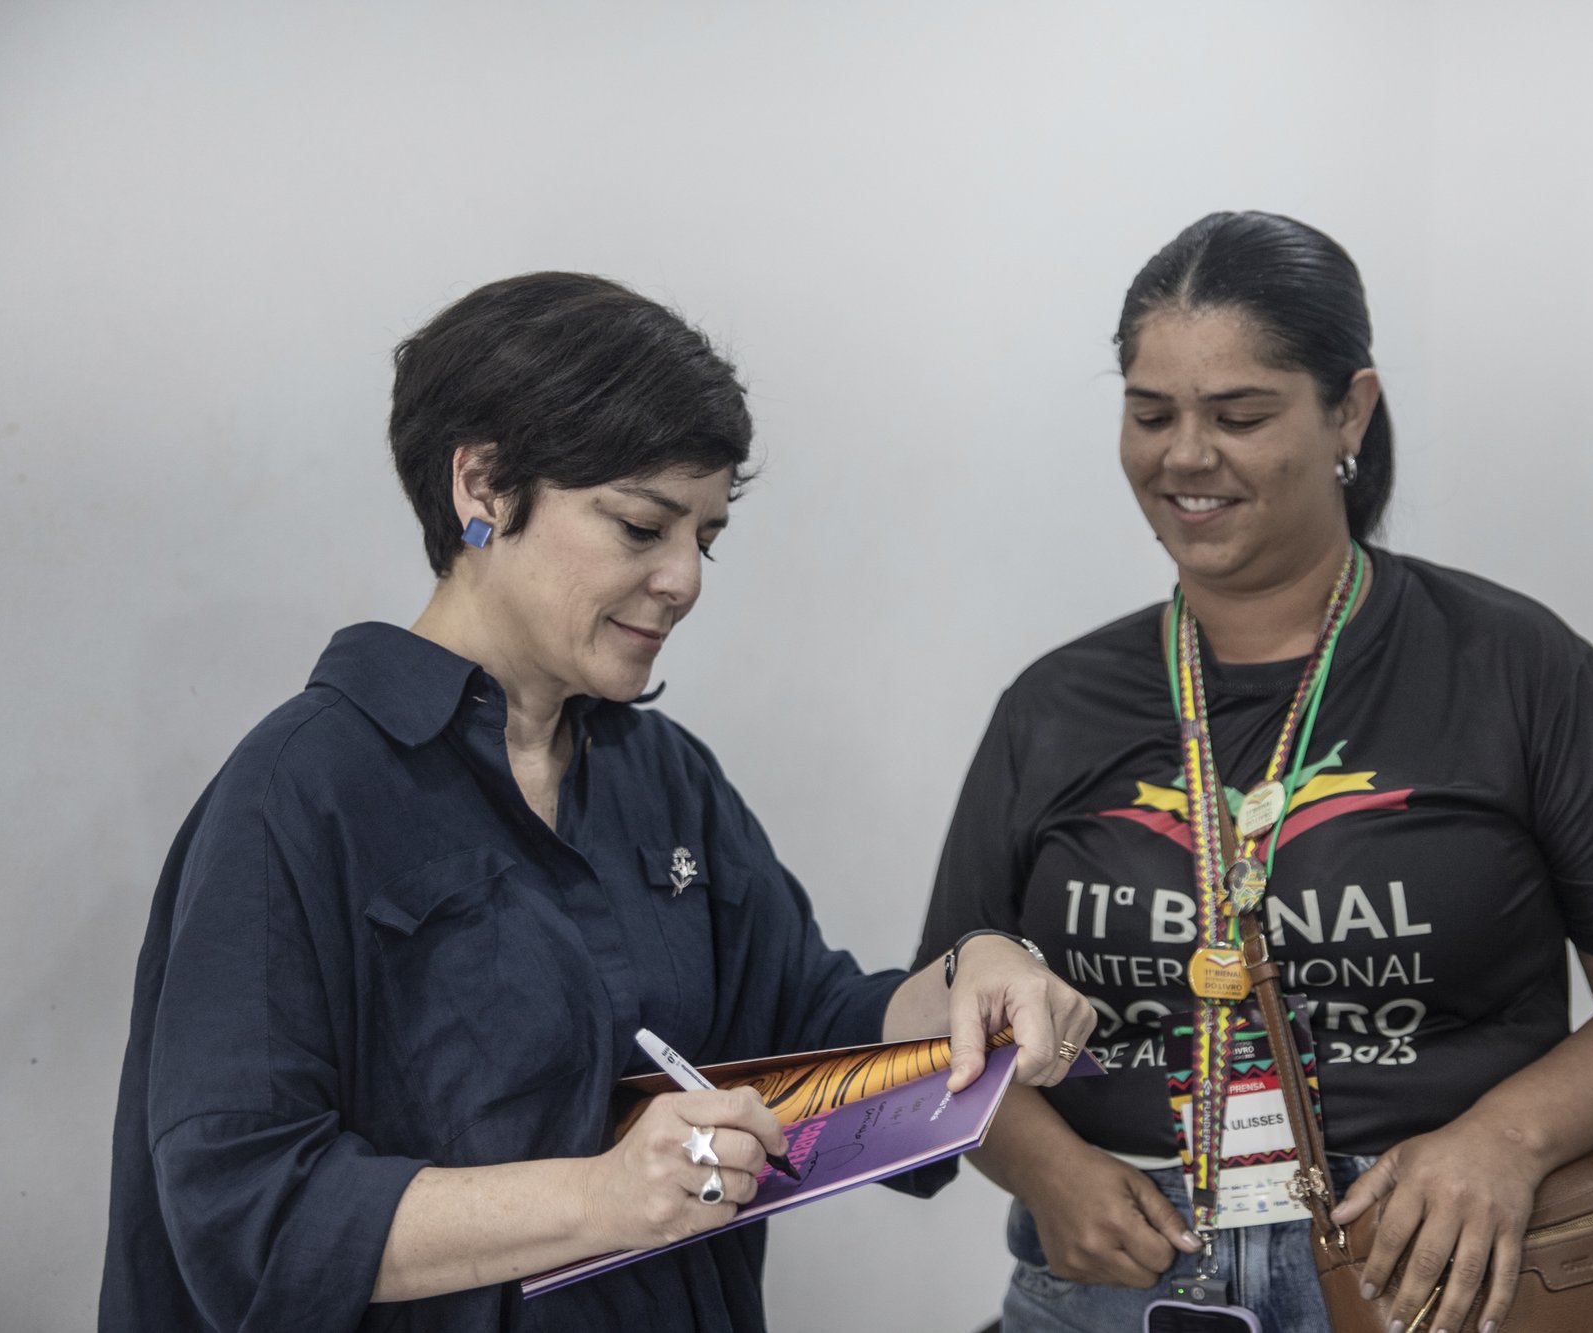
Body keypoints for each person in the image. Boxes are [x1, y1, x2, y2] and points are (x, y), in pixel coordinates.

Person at [100, 272, 1096, 1333]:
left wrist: (970, 977)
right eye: (639, 527)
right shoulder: (301, 793)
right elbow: (246, 1211)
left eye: (704, 537)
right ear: (483, 486)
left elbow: (813, 1023)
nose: (685, 580)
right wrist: (599, 1197)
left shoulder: (660, 776)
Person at [916, 211, 1593, 1333]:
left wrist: (1506, 1140)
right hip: (1117, 1281)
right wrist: (1042, 1168)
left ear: (1348, 409)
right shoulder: (1053, 705)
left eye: (1239, 415)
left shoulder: (1517, 672)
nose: (1184, 455)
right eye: (1150, 414)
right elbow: (941, 1013)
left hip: (1431, 1269)